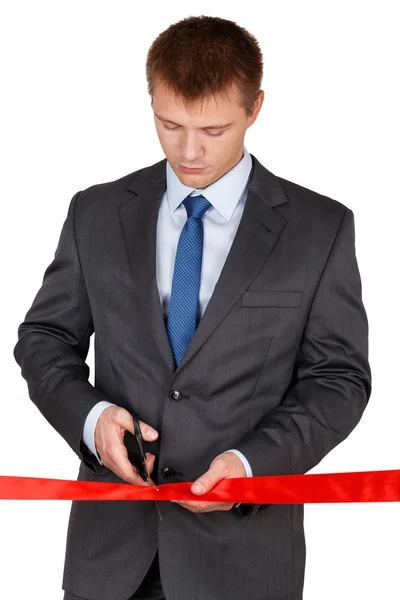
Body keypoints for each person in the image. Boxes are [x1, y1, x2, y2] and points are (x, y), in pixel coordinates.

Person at [13, 14, 371, 600]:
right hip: (108, 559)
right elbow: (44, 338)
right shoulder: (96, 214)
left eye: (212, 129)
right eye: (169, 124)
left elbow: (339, 380)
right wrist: (92, 419)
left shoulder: (320, 229)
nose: (189, 150)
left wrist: (253, 463)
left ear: (255, 108)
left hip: (243, 561)